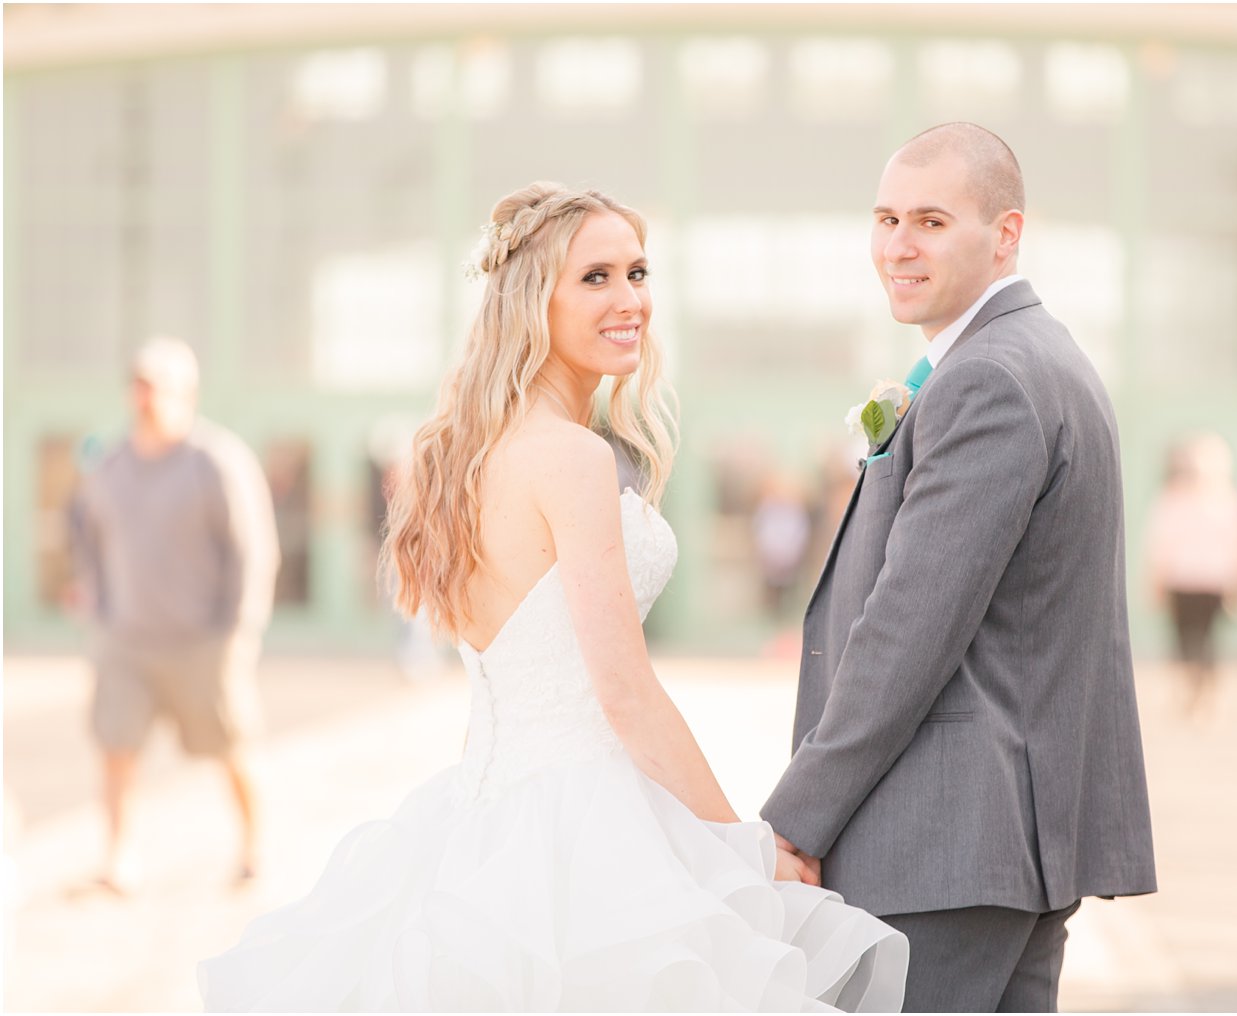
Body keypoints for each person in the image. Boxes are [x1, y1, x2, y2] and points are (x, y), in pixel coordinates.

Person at [198, 184, 907, 1012]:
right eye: (596, 278)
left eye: (637, 273)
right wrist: (742, 846)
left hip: (483, 813)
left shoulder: (469, 459)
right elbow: (626, 693)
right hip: (584, 828)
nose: (630, 299)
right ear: (535, 300)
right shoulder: (571, 459)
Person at [760, 123, 1158, 1013]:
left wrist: (798, 816)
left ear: (1005, 234)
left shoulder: (992, 379)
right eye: (886, 218)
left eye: (931, 221)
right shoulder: (1031, 360)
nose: (898, 245)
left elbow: (909, 627)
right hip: (999, 843)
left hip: (941, 847)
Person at [71, 337, 280, 893]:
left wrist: (238, 634)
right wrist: (98, 600)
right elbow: (86, 536)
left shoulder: (217, 462)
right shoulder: (109, 464)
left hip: (204, 642)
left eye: (157, 386)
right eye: (138, 384)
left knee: (232, 747)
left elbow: (253, 552)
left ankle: (253, 849)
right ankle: (117, 861)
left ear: (186, 394)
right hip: (127, 642)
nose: (145, 397)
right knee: (116, 749)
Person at [1144, 433, 1237, 717]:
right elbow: (1160, 544)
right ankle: (1196, 692)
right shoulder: (1214, 500)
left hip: (1204, 581)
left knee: (1198, 640)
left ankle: (1200, 693)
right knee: (1194, 640)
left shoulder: (1219, 500)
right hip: (1191, 580)